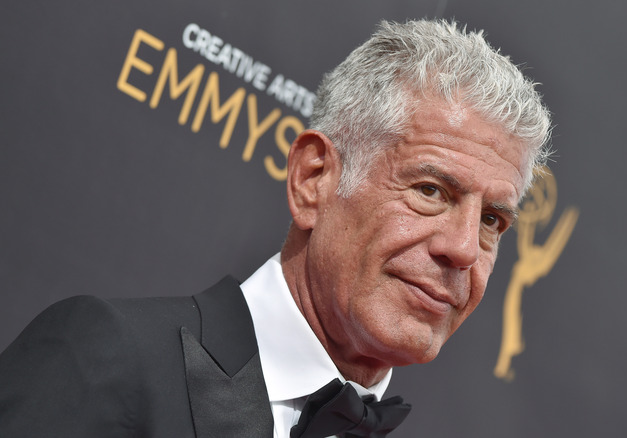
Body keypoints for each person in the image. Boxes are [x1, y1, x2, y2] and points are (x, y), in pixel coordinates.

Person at [0, 19, 551, 438]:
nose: (461, 248)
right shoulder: (109, 359)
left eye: (491, 220)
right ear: (314, 179)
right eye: (431, 191)